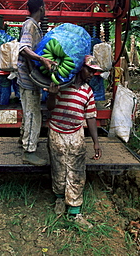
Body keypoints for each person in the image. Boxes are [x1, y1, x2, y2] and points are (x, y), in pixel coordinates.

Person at [46, 55, 102, 226]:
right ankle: (59, 198)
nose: (92, 74)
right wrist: (53, 95)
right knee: (58, 168)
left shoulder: (88, 91)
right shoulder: (62, 86)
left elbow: (90, 117)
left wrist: (96, 142)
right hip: (56, 132)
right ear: (80, 68)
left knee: (76, 172)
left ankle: (74, 211)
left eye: (94, 71)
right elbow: (49, 107)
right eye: (89, 70)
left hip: (76, 133)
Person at [17, 0, 56, 166]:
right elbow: (23, 48)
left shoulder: (34, 26)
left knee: (28, 110)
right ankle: (29, 151)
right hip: (28, 79)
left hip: (28, 78)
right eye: (45, 6)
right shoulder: (30, 26)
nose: (46, 9)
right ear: (41, 8)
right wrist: (41, 60)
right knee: (33, 113)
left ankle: (24, 139)